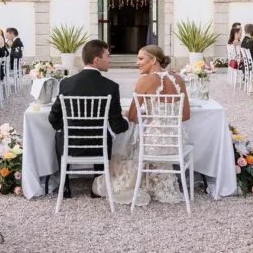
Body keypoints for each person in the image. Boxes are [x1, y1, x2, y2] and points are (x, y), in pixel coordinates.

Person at [91, 45, 191, 205]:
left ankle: (142, 182)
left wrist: (148, 117)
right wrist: (162, 119)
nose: (137, 62)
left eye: (141, 58)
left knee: (130, 153)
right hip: (176, 140)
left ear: (153, 60)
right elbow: (185, 115)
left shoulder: (145, 80)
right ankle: (155, 182)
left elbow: (132, 117)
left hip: (154, 142)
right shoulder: (178, 79)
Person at [49, 40, 129, 199]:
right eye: (108, 56)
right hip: (99, 146)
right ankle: (97, 186)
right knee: (105, 133)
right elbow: (117, 126)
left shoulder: (66, 83)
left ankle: (64, 186)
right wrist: (126, 120)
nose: (110, 60)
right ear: (97, 60)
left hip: (70, 145)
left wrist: (65, 128)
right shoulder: (110, 87)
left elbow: (53, 118)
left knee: (59, 134)